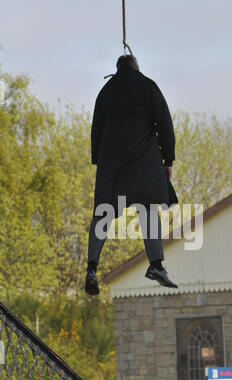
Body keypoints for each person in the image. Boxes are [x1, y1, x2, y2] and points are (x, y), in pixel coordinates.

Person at [85, 54, 179, 295]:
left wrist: (98, 161)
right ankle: (156, 265)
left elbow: (97, 128)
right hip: (144, 161)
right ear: (137, 67)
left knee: (103, 212)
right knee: (148, 209)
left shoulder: (107, 91)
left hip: (112, 164)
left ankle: (92, 267)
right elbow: (165, 124)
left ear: (117, 69)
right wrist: (168, 159)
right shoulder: (148, 86)